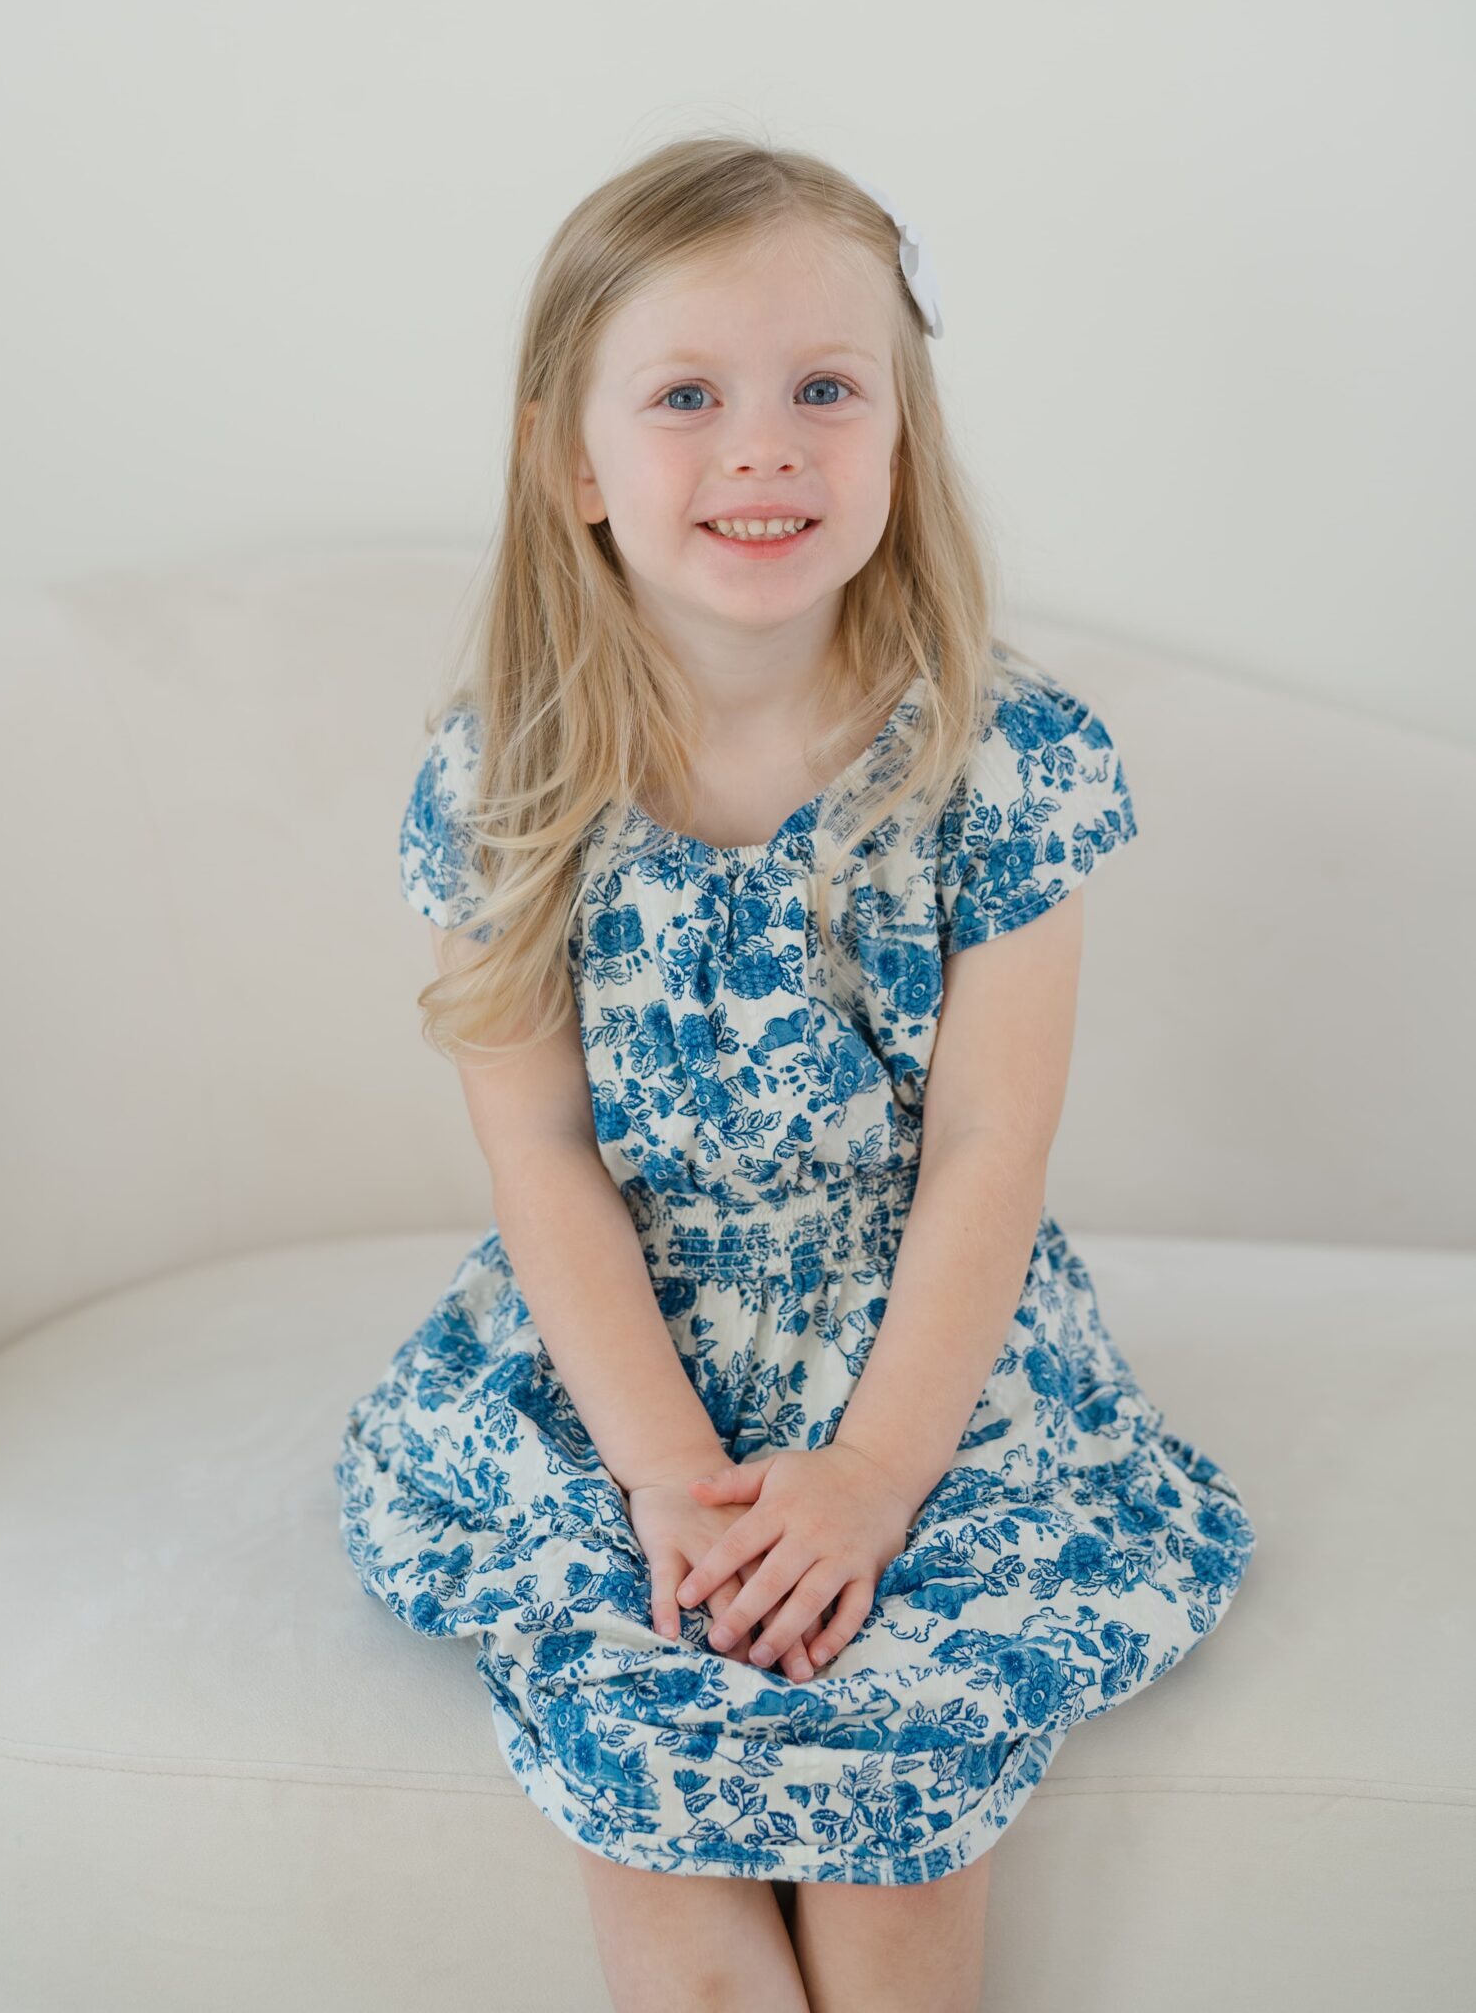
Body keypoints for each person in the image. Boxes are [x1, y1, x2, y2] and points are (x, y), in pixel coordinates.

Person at [334, 133, 1256, 2011]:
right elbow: (544, 1160)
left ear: (899, 442)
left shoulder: (1005, 760)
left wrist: (871, 1478)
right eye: (688, 396)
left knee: (900, 1791)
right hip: (615, 1362)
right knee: (658, 1782)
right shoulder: (502, 781)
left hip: (923, 1348)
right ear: (571, 464)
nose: (765, 446)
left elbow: (993, 1144)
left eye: (826, 390)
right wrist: (675, 1480)